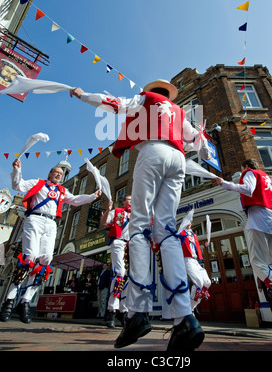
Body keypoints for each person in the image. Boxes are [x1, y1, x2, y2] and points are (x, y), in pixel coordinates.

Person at [70, 78, 210, 352]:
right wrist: (201, 143)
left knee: (139, 227)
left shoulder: (147, 99)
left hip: (154, 152)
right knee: (167, 231)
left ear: (150, 91)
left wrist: (84, 94)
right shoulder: (178, 110)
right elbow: (196, 141)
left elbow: (116, 104)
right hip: (178, 159)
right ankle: (185, 318)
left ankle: (137, 313)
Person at [0, 159, 101, 324]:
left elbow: (75, 200)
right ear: (50, 173)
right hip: (35, 219)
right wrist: (17, 170)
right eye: (56, 173)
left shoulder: (62, 190)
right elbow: (18, 185)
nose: (59, 175)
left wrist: (92, 196)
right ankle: (9, 300)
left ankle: (26, 301)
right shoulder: (38, 183)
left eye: (61, 174)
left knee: (46, 260)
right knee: (29, 257)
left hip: (52, 223)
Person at [216, 158, 272, 341]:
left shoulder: (250, 173)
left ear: (245, 166)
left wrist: (226, 184)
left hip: (259, 221)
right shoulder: (270, 180)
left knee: (257, 263)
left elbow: (247, 189)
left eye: (241, 169)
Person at [101, 196, 131, 328]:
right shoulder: (118, 212)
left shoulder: (138, 214)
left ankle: (123, 311)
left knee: (129, 278)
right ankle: (112, 310)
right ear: (123, 201)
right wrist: (108, 210)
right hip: (118, 242)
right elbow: (104, 222)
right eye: (129, 199)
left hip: (131, 245)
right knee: (120, 273)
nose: (132, 201)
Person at [179, 213, 211, 314]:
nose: (189, 223)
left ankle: (193, 306)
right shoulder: (181, 233)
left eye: (190, 222)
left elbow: (196, 248)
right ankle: (189, 308)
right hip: (187, 260)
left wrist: (204, 246)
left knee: (207, 282)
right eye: (187, 221)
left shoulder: (193, 234)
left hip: (195, 260)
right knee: (199, 283)